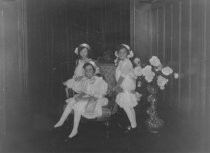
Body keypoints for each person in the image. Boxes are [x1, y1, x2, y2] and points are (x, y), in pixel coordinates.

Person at [54, 62, 108, 139]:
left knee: (78, 104)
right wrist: (80, 96)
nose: (88, 71)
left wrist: (83, 98)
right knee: (73, 101)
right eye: (86, 70)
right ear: (84, 72)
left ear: (94, 70)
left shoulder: (99, 80)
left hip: (98, 99)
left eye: (90, 69)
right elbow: (84, 91)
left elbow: (98, 95)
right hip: (89, 97)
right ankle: (61, 121)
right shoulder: (85, 80)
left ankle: (75, 129)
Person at [114, 44, 141, 133]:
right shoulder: (121, 61)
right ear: (117, 53)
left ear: (127, 53)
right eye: (120, 52)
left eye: (124, 52)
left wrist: (117, 86)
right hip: (123, 87)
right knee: (129, 107)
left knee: (126, 106)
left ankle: (133, 126)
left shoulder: (128, 62)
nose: (121, 54)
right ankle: (135, 125)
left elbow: (122, 75)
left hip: (126, 87)